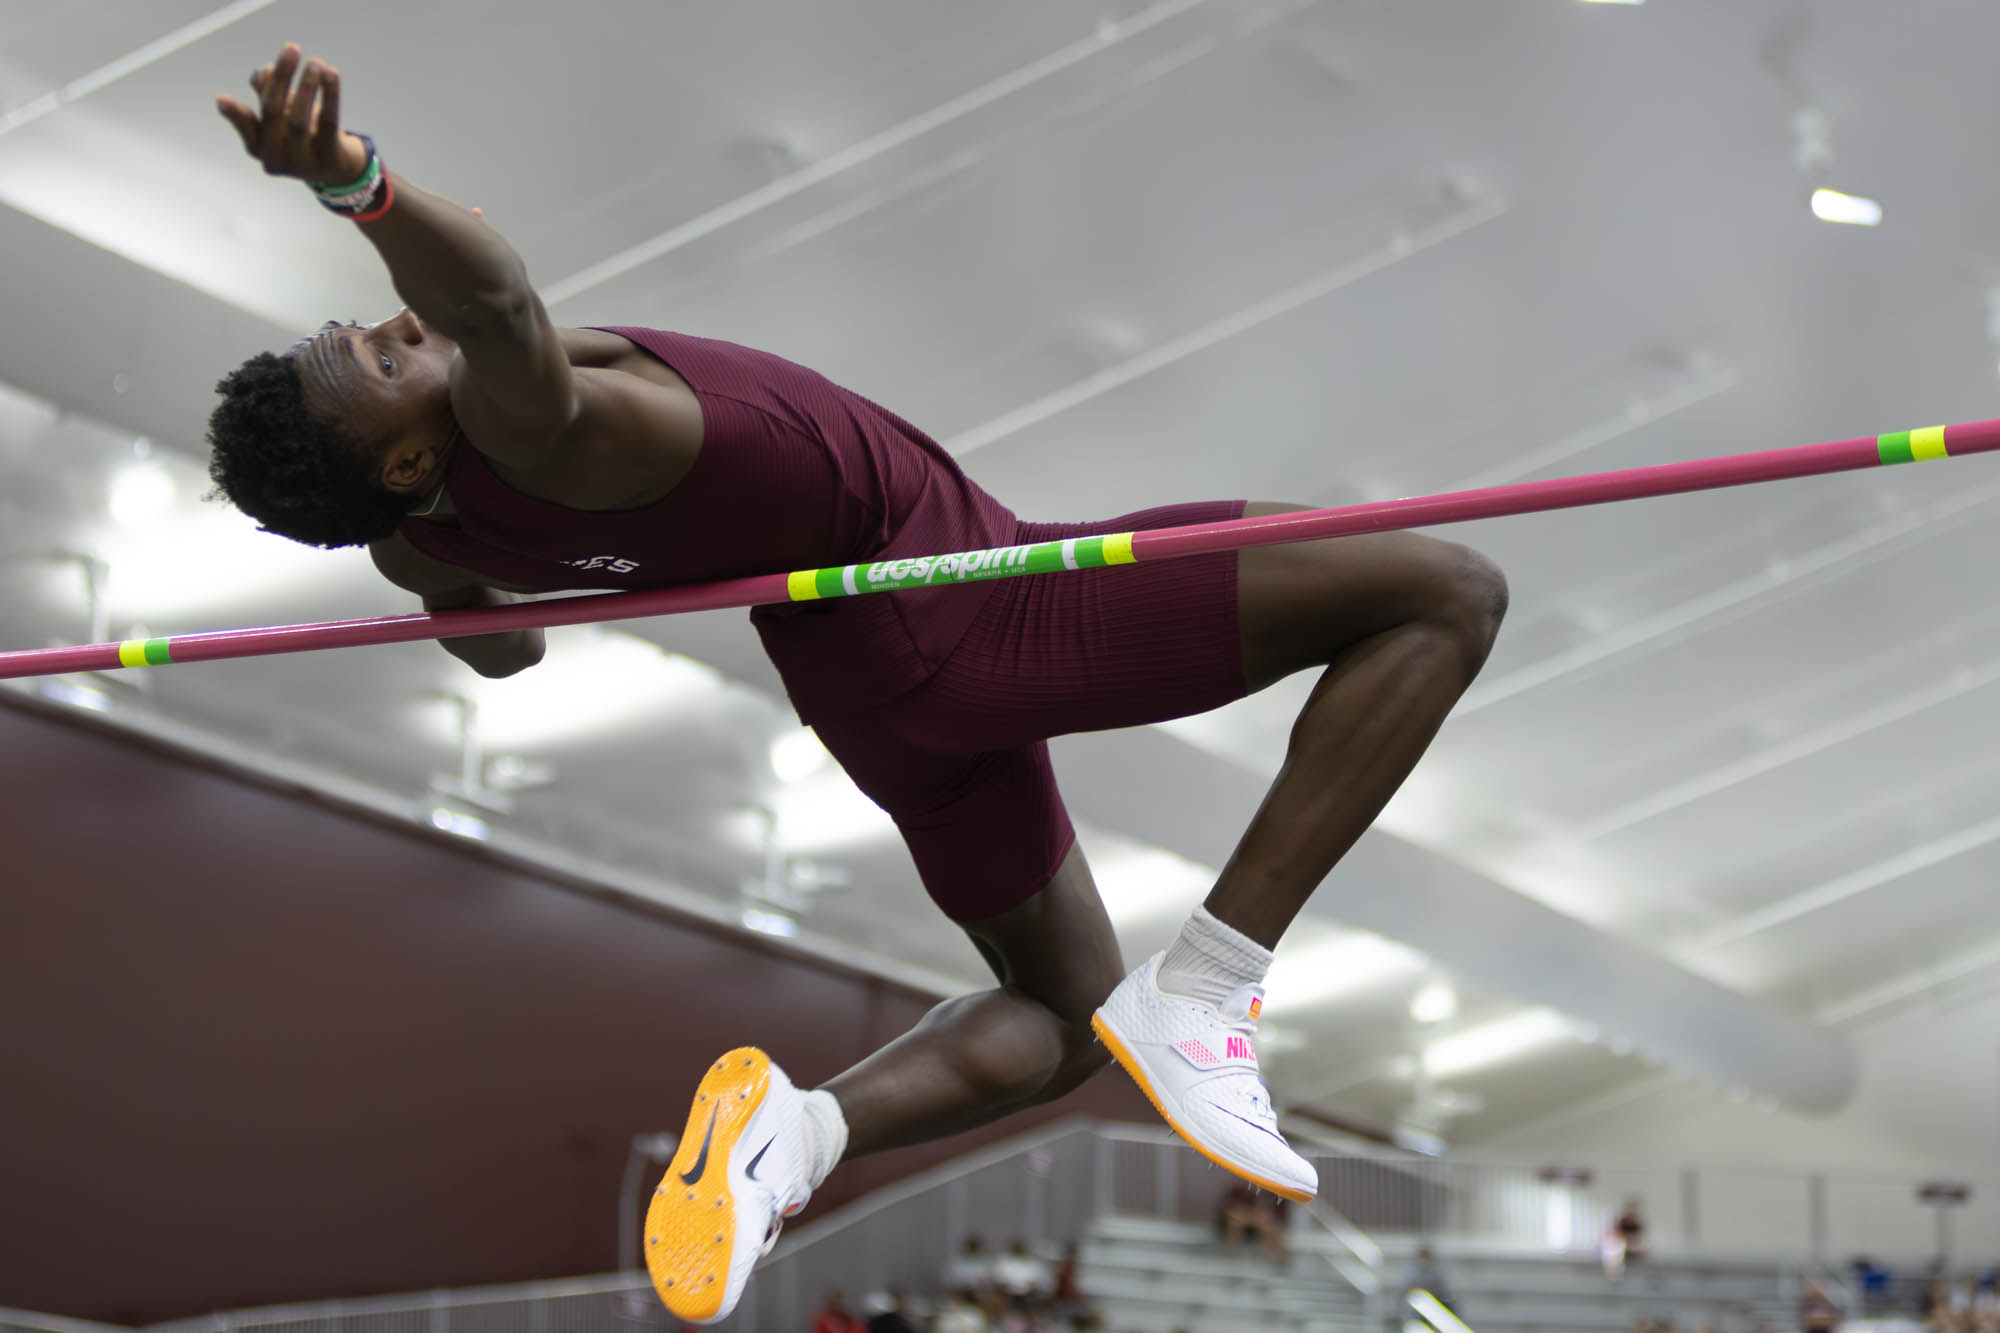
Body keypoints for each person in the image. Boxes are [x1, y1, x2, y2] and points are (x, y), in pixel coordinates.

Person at [209, 45, 1508, 1326]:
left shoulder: (419, 538)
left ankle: (802, 1133)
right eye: (379, 362)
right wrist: (356, 183)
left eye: (368, 327)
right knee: (1442, 593)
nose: (390, 328)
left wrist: (479, 599)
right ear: (399, 456)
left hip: (867, 681)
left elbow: (502, 645)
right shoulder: (531, 426)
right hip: (970, 601)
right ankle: (1213, 985)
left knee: (1063, 1020)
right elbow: (494, 303)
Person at [1400, 1245, 1455, 1315]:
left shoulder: (1436, 1272)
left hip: (1433, 1300)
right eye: (1423, 1258)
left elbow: (1441, 1289)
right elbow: (1408, 1289)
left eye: (1426, 1258)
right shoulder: (1412, 1272)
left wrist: (1428, 1291)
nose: (1425, 1261)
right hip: (1416, 1300)